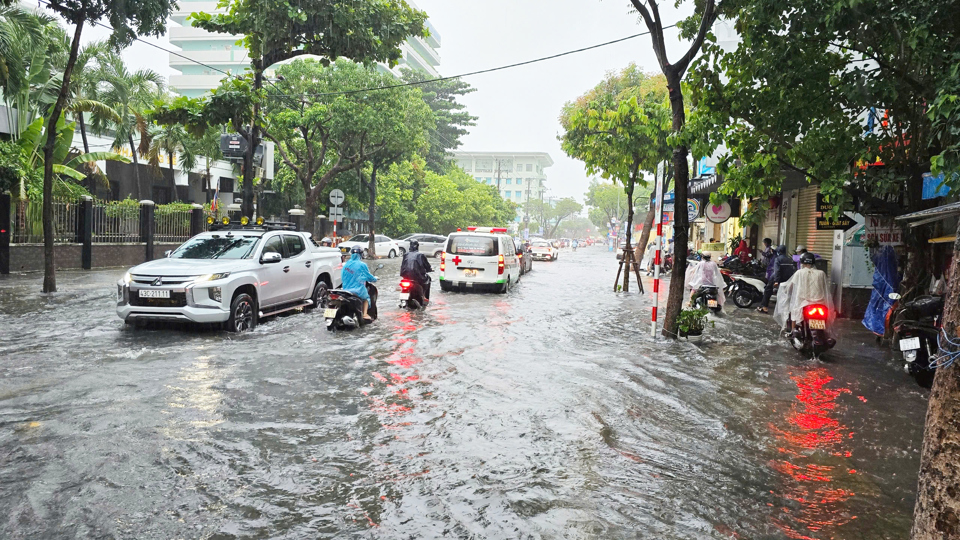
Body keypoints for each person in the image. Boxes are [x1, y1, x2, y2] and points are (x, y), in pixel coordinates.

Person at [774, 251, 834, 340]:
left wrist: (786, 291)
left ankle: (793, 333)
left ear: (802, 263)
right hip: (820, 304)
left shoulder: (799, 273)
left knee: (794, 312)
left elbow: (790, 286)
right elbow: (826, 289)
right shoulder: (821, 273)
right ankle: (825, 335)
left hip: (803, 303)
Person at [342, 245, 378, 321]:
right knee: (366, 298)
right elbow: (368, 276)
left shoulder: (346, 264)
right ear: (361, 254)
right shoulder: (362, 265)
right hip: (357, 290)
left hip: (345, 290)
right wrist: (375, 279)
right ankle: (364, 314)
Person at [757, 245, 795, 313]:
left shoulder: (778, 259)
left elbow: (777, 270)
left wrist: (776, 281)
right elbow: (793, 270)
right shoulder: (790, 259)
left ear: (779, 251)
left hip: (778, 277)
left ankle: (764, 307)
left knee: (768, 290)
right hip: (787, 279)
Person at [400, 239, 433, 304]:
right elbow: (427, 266)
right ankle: (425, 297)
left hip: (406, 277)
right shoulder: (421, 255)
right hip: (418, 277)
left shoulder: (406, 254)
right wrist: (430, 269)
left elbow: (403, 266)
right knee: (428, 279)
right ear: (417, 246)